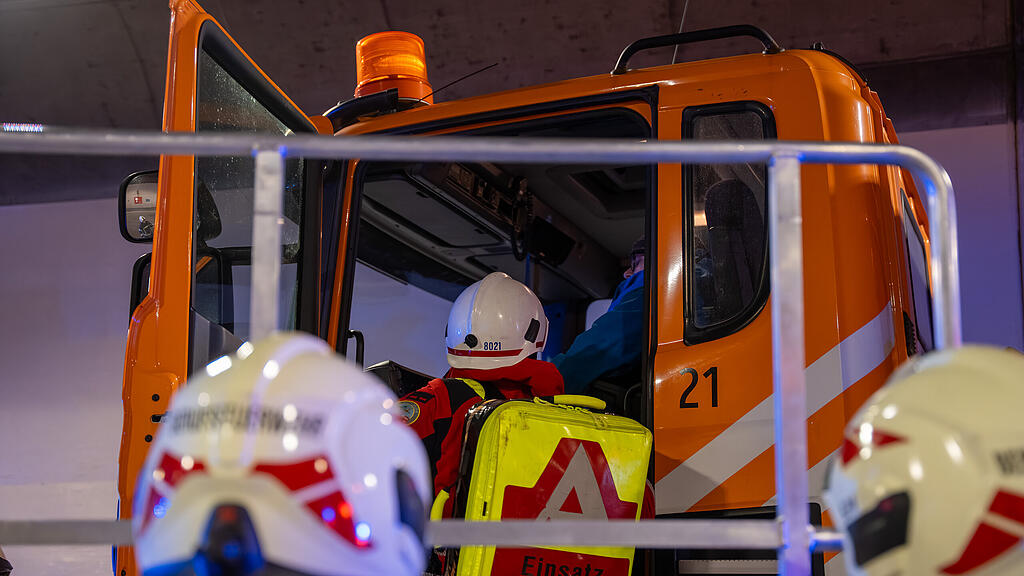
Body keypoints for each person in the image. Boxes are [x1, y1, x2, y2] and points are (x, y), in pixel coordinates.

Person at [397, 272, 564, 504]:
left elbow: (371, 450)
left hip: (453, 539)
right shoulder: (560, 414)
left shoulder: (441, 398)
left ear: (452, 331)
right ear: (535, 334)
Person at [552, 237, 644, 394]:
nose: (626, 274)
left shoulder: (646, 293)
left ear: (660, 260)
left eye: (634, 264)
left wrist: (542, 378)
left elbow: (589, 355)